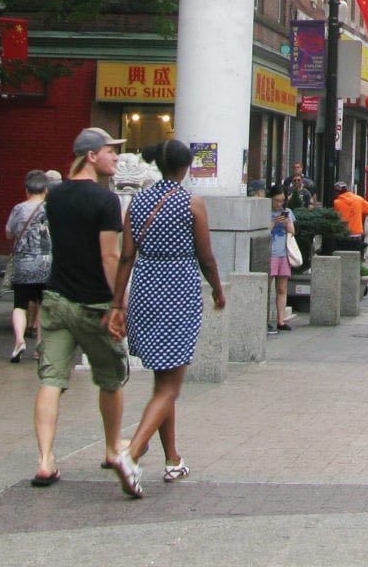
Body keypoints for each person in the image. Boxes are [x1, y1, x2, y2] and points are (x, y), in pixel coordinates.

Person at [33, 128, 140, 496]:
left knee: (52, 379)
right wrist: (119, 301)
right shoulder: (106, 201)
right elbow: (110, 254)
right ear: (92, 156)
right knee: (110, 378)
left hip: (57, 298)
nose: (116, 158)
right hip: (95, 303)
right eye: (111, 151)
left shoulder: (55, 195)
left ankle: (46, 459)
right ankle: (112, 448)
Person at [114, 138, 224, 483]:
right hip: (178, 289)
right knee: (169, 388)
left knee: (163, 380)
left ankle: (172, 458)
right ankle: (130, 455)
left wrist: (118, 302)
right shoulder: (191, 203)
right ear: (184, 166)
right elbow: (205, 255)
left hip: (145, 288)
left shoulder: (138, 202)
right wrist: (218, 290)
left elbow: (127, 256)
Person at [5, 170, 55, 363]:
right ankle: (40, 348)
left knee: (20, 305)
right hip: (46, 262)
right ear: (46, 189)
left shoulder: (18, 209)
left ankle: (19, 340)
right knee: (43, 304)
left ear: (27, 190)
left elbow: (9, 233)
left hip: (23, 262)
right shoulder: (51, 209)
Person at [267, 187, 296, 334]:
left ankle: (281, 320)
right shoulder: (265, 212)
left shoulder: (287, 212)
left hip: (283, 254)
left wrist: (285, 222)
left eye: (282, 201)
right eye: (276, 200)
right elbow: (263, 230)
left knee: (282, 288)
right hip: (270, 254)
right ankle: (265, 320)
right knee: (267, 288)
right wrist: (273, 223)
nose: (279, 204)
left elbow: (292, 231)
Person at [331, 180, 368, 253]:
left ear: (337, 192)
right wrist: (361, 214)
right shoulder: (358, 199)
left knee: (343, 254)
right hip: (357, 233)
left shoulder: (336, 203)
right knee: (355, 254)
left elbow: (335, 216)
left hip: (343, 233)